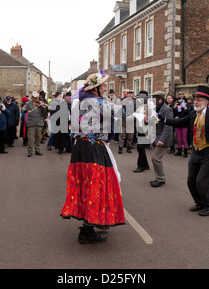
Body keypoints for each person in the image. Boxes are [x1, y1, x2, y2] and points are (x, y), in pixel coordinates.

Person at [60, 71, 125, 244]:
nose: (105, 88)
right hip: (92, 147)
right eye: (103, 85)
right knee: (99, 185)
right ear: (95, 88)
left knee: (86, 186)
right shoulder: (95, 102)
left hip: (81, 148)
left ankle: (93, 223)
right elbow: (120, 111)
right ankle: (88, 229)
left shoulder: (79, 102)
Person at [159, 85, 209, 216]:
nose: (196, 102)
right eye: (195, 99)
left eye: (199, 100)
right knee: (191, 180)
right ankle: (199, 202)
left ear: (206, 102)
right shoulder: (193, 113)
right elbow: (180, 122)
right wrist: (165, 119)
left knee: (202, 181)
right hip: (196, 151)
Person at [148, 91, 174, 188]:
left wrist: (162, 140)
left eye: (154, 99)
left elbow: (168, 126)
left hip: (163, 138)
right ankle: (159, 178)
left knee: (155, 158)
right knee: (156, 159)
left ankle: (161, 179)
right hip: (156, 136)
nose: (152, 101)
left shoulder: (167, 110)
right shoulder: (155, 108)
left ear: (160, 100)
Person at [22, 92, 48, 157]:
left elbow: (49, 109)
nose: (36, 99)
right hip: (31, 123)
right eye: (35, 98)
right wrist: (26, 111)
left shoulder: (41, 103)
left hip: (39, 122)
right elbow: (23, 109)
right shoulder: (28, 103)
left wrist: (44, 107)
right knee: (30, 138)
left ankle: (37, 150)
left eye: (37, 98)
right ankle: (30, 151)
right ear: (32, 98)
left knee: (38, 138)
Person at [133, 90, 150, 173]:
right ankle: (146, 164)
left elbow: (148, 119)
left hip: (145, 129)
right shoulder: (140, 106)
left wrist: (142, 117)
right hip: (140, 128)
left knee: (140, 148)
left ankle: (141, 166)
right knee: (141, 148)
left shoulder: (147, 107)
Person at [118, 90, 136, 154]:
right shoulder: (123, 101)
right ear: (127, 95)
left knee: (130, 136)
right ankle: (120, 148)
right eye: (129, 94)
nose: (130, 95)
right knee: (122, 135)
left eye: (131, 94)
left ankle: (128, 147)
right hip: (124, 121)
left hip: (131, 121)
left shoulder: (135, 102)